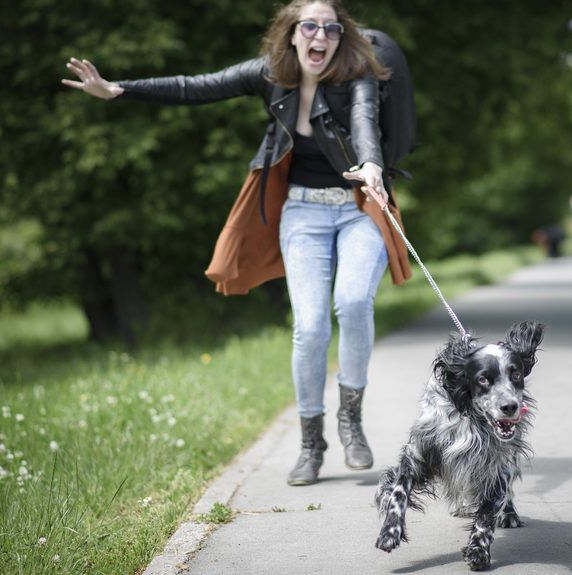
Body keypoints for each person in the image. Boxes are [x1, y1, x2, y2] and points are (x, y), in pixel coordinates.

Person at [63, 0, 411, 486]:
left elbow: (365, 121)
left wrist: (371, 165)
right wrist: (120, 89)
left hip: (358, 207)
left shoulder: (358, 74)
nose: (321, 36)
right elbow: (194, 86)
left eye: (332, 29)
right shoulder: (269, 73)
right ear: (292, 33)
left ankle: (350, 419)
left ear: (342, 36)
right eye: (310, 26)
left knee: (353, 302)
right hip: (303, 212)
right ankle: (311, 443)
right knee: (310, 328)